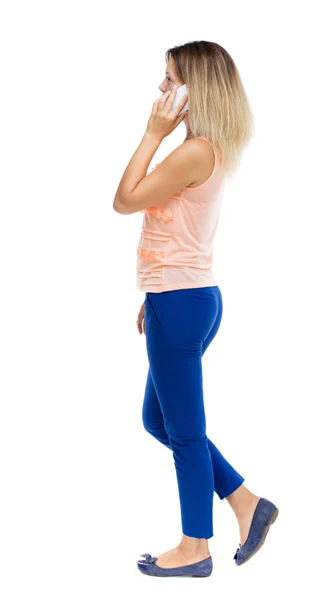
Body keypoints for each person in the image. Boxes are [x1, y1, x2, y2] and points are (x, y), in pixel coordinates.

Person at [113, 40, 279, 578]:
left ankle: (195, 547)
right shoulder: (207, 147)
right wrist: (153, 292)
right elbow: (178, 229)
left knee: (182, 430)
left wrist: (152, 132)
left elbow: (125, 199)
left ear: (194, 88)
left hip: (182, 303)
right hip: (187, 297)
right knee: (158, 419)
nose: (161, 89)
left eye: (169, 80)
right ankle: (245, 501)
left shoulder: (191, 149)